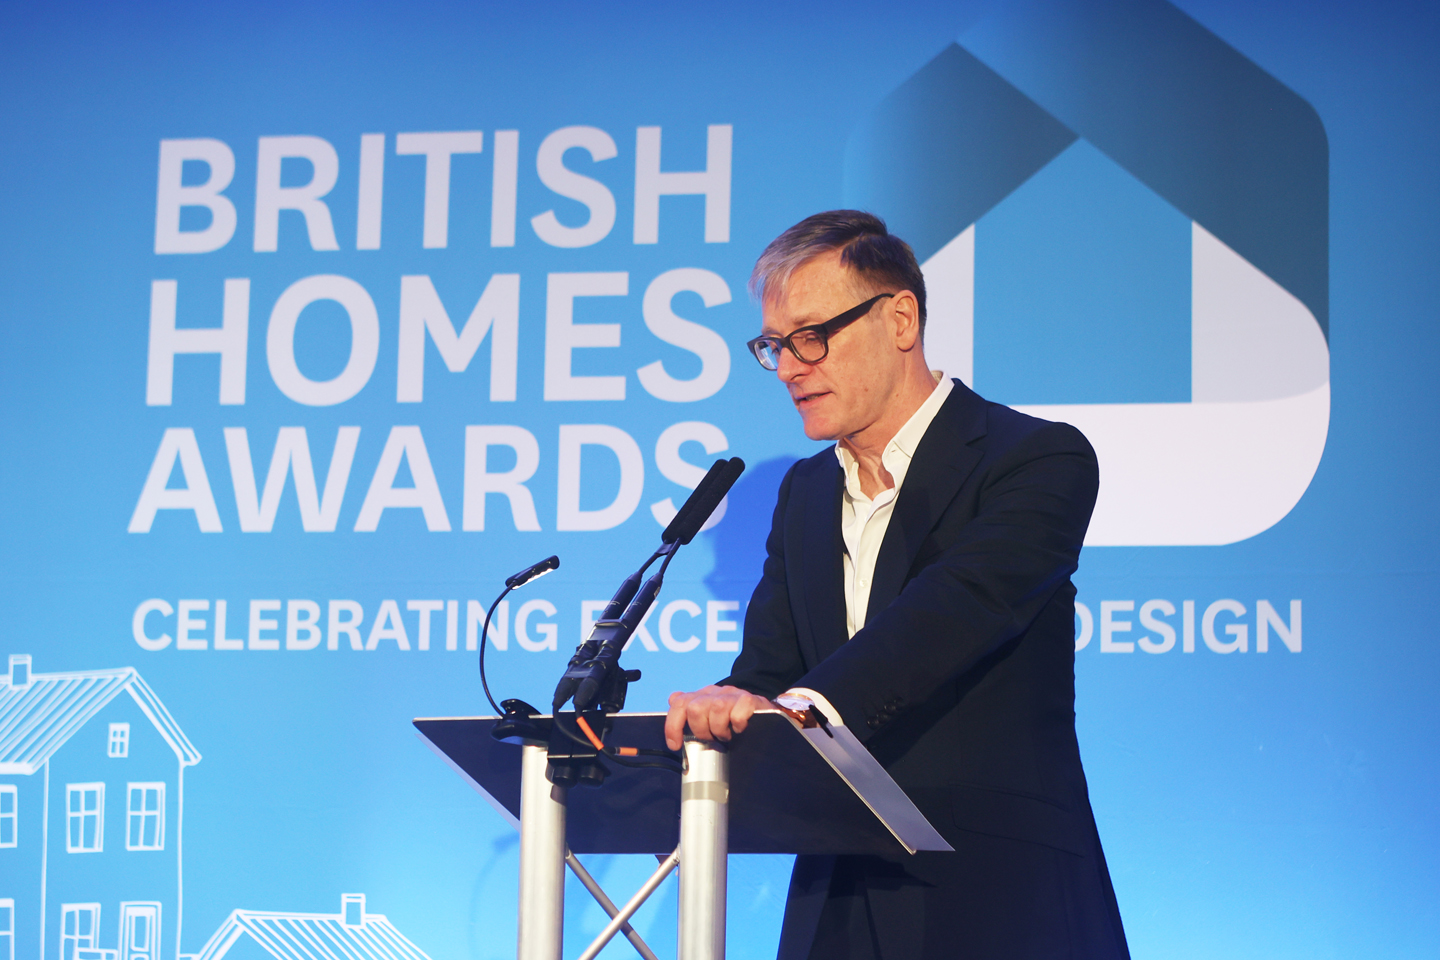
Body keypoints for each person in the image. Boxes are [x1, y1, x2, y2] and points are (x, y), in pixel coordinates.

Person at [664, 211, 1129, 959]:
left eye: (811, 336)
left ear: (901, 318)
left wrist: (798, 711)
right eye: (774, 346)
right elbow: (770, 673)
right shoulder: (806, 494)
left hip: (998, 893)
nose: (788, 368)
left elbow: (959, 608)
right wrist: (723, 716)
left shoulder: (1035, 458)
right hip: (837, 900)